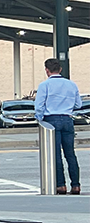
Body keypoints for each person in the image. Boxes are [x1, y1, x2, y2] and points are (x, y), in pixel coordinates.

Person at [34, 58, 81, 195]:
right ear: (60, 69)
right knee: (70, 154)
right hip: (67, 119)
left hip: (51, 120)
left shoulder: (44, 85)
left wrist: (39, 118)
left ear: (47, 70)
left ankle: (61, 185)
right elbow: (78, 105)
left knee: (55, 155)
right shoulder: (71, 85)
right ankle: (76, 185)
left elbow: (39, 106)